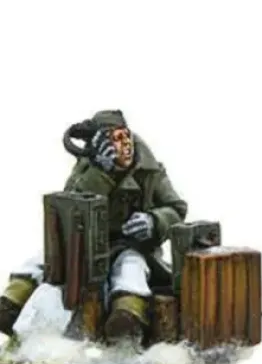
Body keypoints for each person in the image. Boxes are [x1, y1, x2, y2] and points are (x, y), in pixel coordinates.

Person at [0, 110, 187, 344]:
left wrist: (154, 221)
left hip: (131, 246)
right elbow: (70, 205)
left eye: (126, 136)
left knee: (130, 270)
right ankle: (11, 304)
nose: (125, 145)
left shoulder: (151, 171)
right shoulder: (87, 170)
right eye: (116, 139)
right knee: (41, 262)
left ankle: (128, 317)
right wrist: (101, 174)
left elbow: (176, 209)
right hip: (86, 246)